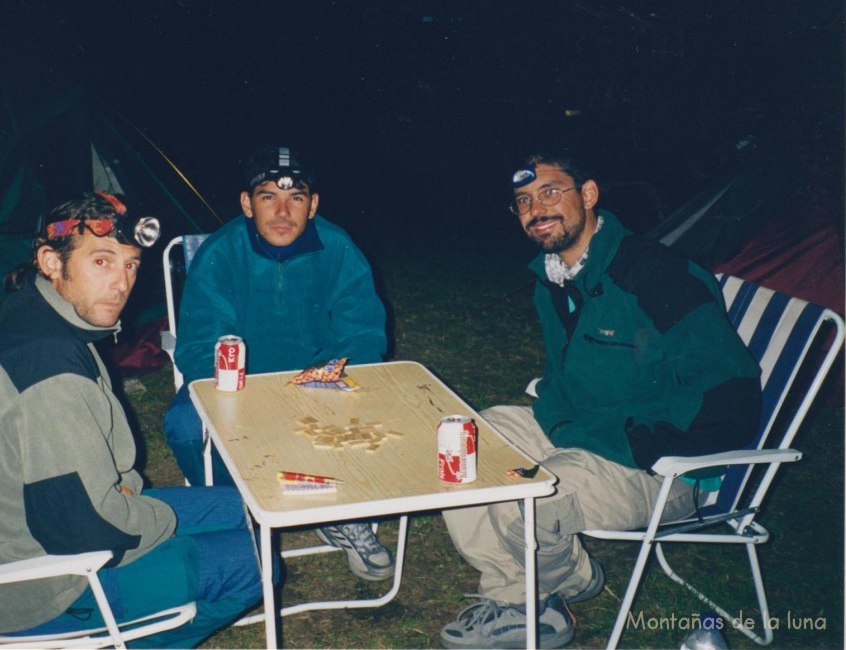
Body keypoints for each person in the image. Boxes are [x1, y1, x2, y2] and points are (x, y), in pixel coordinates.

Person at [439, 153, 761, 649]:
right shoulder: (556, 279)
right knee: (464, 443)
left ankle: (546, 597)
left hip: (663, 465)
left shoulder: (657, 276)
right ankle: (538, 591)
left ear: (588, 195)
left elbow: (730, 398)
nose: (536, 209)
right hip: (589, 433)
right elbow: (566, 378)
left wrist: (624, 440)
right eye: (524, 201)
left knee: (526, 497)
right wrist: (567, 426)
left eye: (551, 192)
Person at [0, 191, 261, 647]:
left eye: (130, 264)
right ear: (51, 261)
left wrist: (135, 497)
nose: (121, 283)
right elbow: (87, 530)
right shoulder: (50, 374)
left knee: (243, 510)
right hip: (40, 590)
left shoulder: (34, 309)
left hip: (27, 530)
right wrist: (157, 518)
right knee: (255, 561)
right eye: (102, 262)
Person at [163, 144, 395, 581]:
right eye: (269, 197)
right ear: (247, 203)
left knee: (379, 409)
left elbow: (363, 332)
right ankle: (236, 512)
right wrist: (240, 393)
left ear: (314, 205)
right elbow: (197, 347)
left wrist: (335, 376)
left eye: (297, 198)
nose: (283, 211)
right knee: (185, 426)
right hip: (239, 384)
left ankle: (342, 512)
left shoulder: (339, 248)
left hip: (319, 381)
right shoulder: (220, 254)